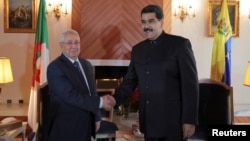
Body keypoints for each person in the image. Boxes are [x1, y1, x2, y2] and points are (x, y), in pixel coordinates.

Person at [114, 4, 199, 141]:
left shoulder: (180, 45)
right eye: (143, 22)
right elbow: (129, 82)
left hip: (173, 122)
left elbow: (190, 86)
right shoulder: (137, 50)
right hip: (149, 122)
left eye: (151, 21)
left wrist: (189, 120)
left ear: (161, 21)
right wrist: (112, 100)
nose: (146, 26)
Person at [46, 29, 116, 141]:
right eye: (69, 43)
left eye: (77, 42)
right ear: (61, 45)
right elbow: (70, 95)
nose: (74, 46)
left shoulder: (87, 65)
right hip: (67, 127)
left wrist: (97, 117)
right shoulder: (55, 68)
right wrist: (101, 102)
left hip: (87, 124)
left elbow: (92, 92)